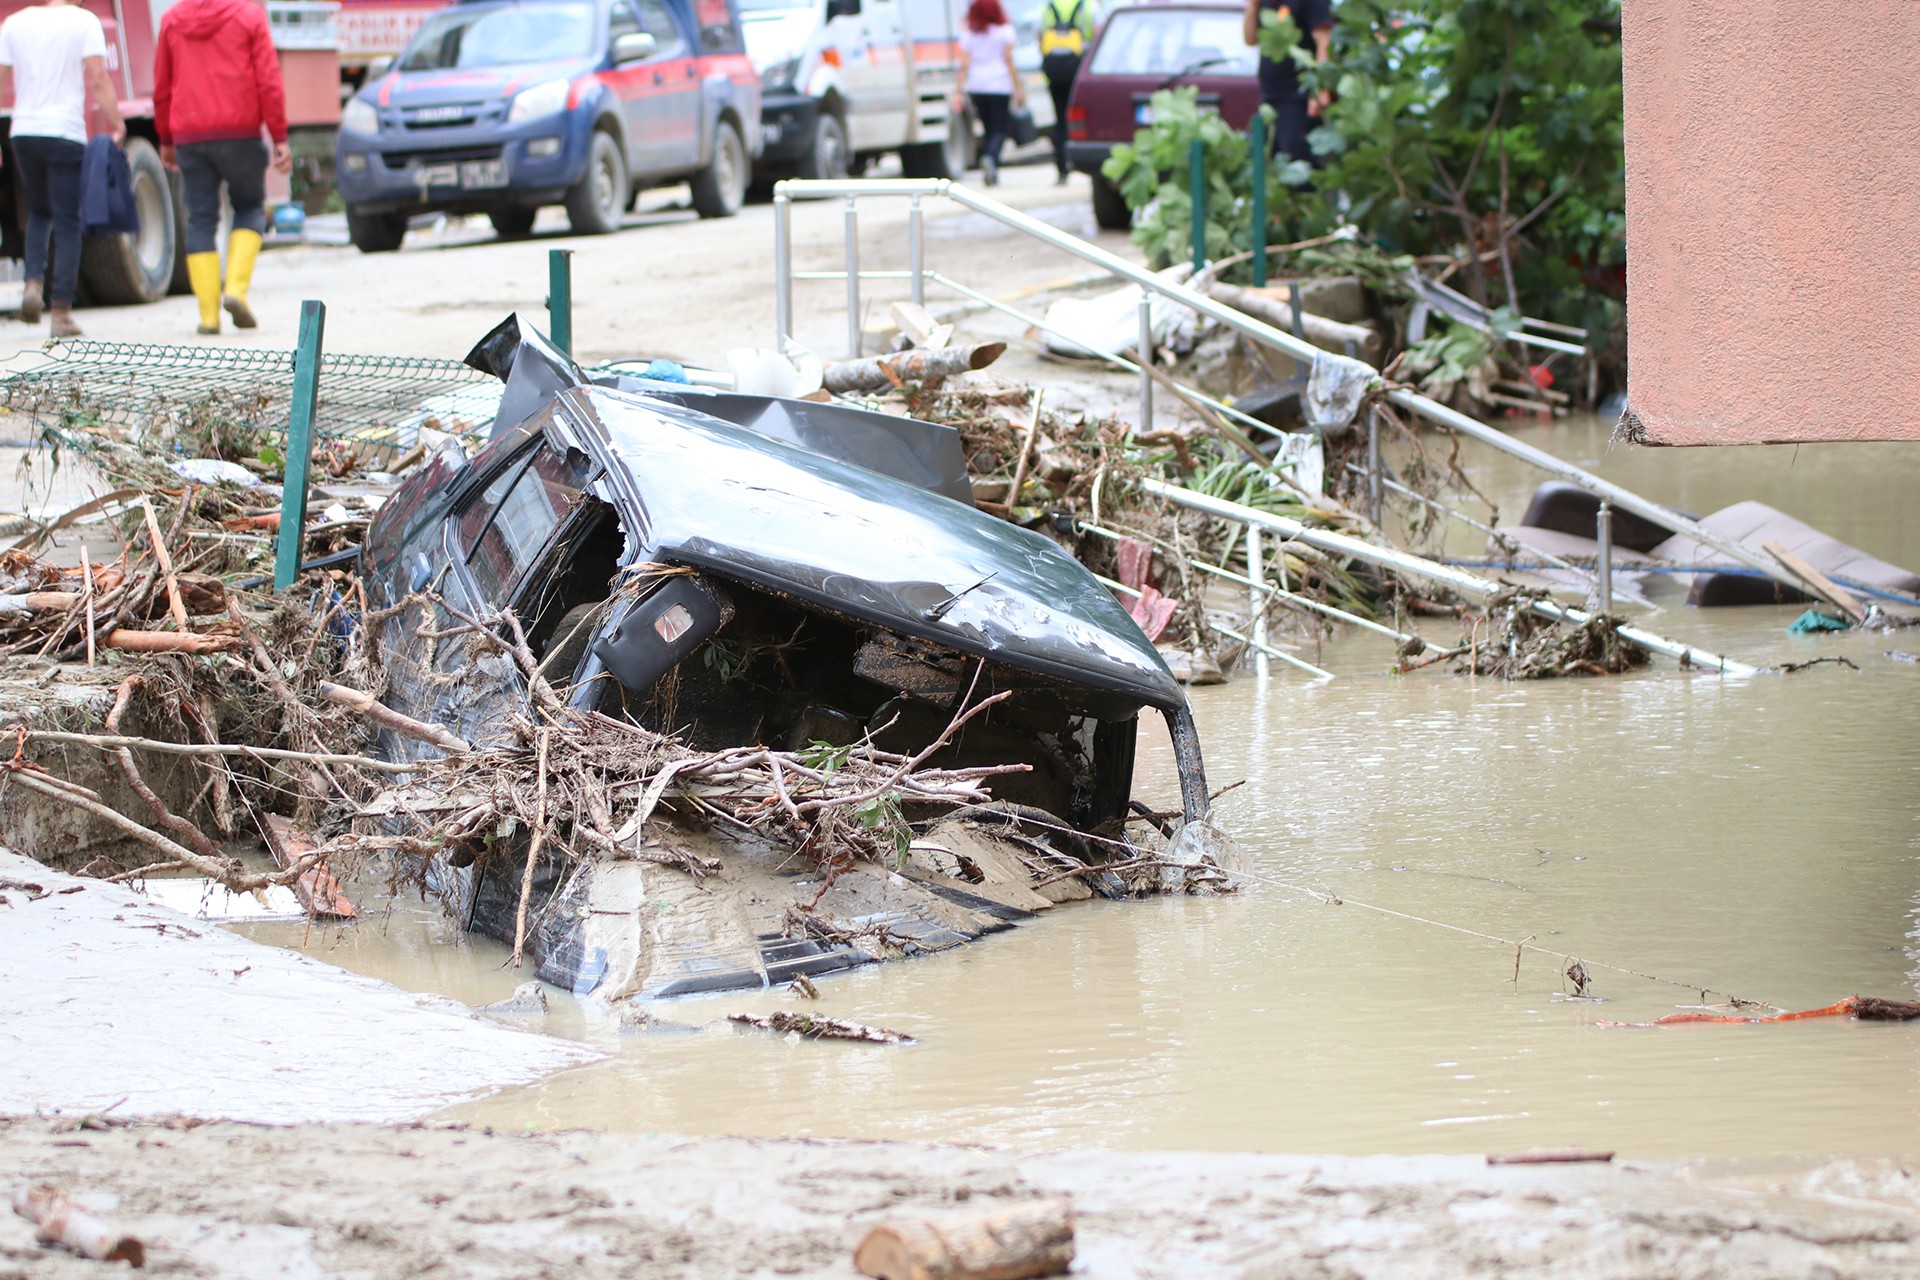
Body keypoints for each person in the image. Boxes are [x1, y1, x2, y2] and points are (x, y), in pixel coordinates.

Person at [154, 0, 291, 336]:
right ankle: (236, 291)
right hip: (240, 132)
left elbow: (162, 87)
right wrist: (279, 136)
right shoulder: (248, 15)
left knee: (201, 218)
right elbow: (269, 79)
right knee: (248, 207)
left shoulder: (172, 20)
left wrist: (167, 139)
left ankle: (208, 317)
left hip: (189, 135)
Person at [0, 0, 126, 338]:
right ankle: (60, 313)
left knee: (39, 212)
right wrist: (117, 124)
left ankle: (31, 284)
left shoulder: (15, 22)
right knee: (68, 220)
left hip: (24, 132)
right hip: (64, 132)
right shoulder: (84, 22)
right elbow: (98, 78)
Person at [1241, 0, 1332, 165]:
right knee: (1266, 155)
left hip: (1299, 92)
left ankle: (1311, 190)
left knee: (1295, 151)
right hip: (1270, 93)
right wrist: (1252, 6)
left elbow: (1324, 42)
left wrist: (1321, 87)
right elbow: (1250, 39)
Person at [953, 0, 1022, 186]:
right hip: (999, 85)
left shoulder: (969, 35)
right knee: (1001, 128)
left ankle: (991, 167)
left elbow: (964, 65)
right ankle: (990, 158)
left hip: (977, 86)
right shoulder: (1004, 32)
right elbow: (1009, 61)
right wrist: (1018, 87)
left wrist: (957, 91)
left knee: (988, 128)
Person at [1037, 0, 1094, 185]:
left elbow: (1041, 38)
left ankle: (1062, 169)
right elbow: (1097, 37)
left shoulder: (1048, 7)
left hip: (1054, 72)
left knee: (1060, 120)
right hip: (1078, 72)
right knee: (1080, 118)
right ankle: (1082, 164)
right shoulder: (1088, 6)